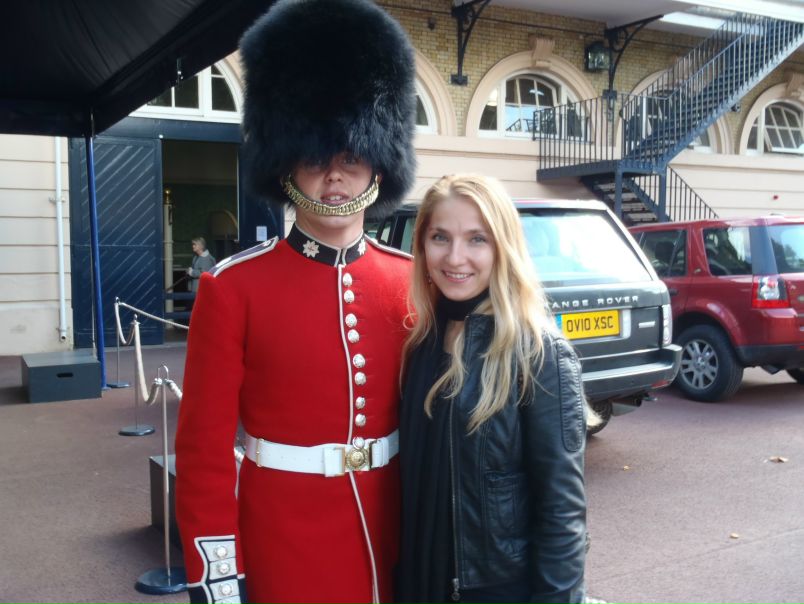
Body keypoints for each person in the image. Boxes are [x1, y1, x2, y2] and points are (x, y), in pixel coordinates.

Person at [173, 1, 417, 603]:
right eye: (314, 159)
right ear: (286, 168)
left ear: (378, 166)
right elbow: (204, 451)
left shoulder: (410, 280)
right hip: (285, 542)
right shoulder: (233, 288)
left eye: (351, 157)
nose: (334, 176)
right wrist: (219, 573)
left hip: (396, 535)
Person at [396, 174, 591, 604]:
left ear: (503, 247)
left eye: (477, 239)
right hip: (420, 580)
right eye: (440, 237)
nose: (455, 257)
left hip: (496, 590)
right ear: (422, 245)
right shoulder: (420, 342)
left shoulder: (537, 352)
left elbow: (563, 513)